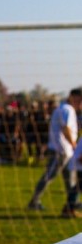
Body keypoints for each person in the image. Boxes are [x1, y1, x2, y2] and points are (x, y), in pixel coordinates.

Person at [28, 88, 82, 216]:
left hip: (66, 151)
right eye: (79, 100)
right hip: (60, 150)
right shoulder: (66, 109)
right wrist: (74, 145)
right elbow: (66, 128)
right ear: (72, 97)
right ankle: (34, 201)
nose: (80, 104)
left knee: (70, 179)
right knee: (49, 176)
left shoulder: (66, 109)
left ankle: (73, 203)